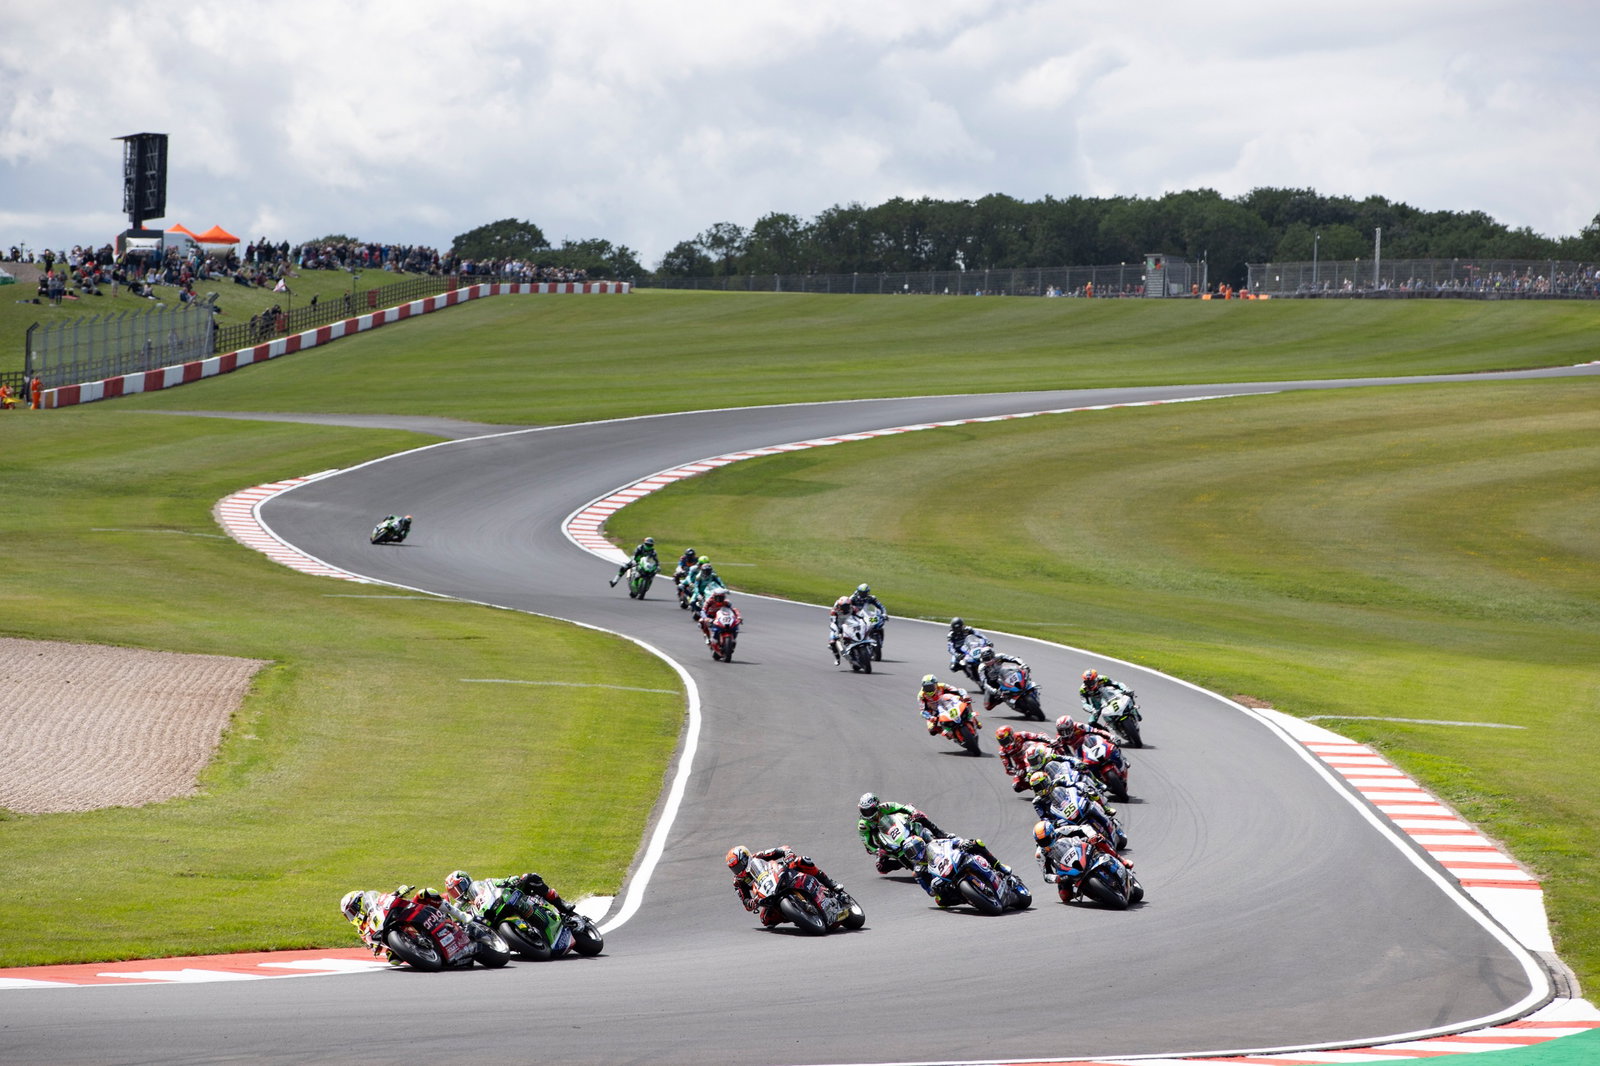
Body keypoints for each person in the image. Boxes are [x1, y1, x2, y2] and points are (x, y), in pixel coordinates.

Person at [727, 844, 844, 927]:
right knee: (766, 920)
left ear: (745, 858)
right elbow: (745, 901)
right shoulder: (738, 881)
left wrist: (787, 854)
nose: (737, 870)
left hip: (781, 876)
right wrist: (750, 903)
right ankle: (800, 915)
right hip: (767, 895)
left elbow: (782, 849)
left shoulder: (758, 856)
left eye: (738, 866)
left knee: (802, 861)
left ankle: (830, 884)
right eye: (734, 869)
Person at [1033, 819, 1133, 903]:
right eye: (1041, 841)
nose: (1044, 843)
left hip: (1081, 851)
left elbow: (1084, 827)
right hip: (1065, 871)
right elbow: (1046, 875)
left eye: (1046, 839)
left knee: (1099, 839)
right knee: (1065, 896)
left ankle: (1121, 859)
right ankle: (1086, 891)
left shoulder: (1062, 831)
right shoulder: (1040, 854)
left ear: (1052, 833)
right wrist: (1057, 878)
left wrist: (1092, 835)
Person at [902, 835, 1016, 907]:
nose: (915, 854)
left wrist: (961, 842)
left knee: (977, 843)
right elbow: (930, 892)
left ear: (921, 845)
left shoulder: (934, 844)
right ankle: (970, 898)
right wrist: (933, 888)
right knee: (940, 902)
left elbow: (951, 842)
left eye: (914, 850)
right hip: (944, 881)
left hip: (954, 862)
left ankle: (999, 866)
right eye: (910, 854)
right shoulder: (918, 871)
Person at [856, 792, 945, 873]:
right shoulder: (863, 825)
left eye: (869, 810)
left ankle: (940, 834)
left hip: (901, 827)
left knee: (920, 818)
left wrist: (914, 812)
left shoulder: (885, 807)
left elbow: (903, 807)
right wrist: (877, 851)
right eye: (864, 810)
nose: (867, 813)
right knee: (881, 867)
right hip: (886, 843)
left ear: (877, 806)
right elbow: (867, 843)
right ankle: (903, 863)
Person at [442, 868, 576, 918]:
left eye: (459, 887)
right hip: (489, 920)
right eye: (453, 891)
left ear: (466, 881)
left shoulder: (484, 884)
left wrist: (513, 880)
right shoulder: (461, 907)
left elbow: (501, 882)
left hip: (503, 902)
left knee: (530, 878)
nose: (458, 893)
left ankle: (561, 905)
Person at [994, 723, 1054, 790]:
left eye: (1006, 740)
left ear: (1011, 735)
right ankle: (1037, 786)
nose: (1005, 744)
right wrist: (1017, 772)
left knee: (1051, 747)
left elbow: (1036, 736)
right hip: (1022, 765)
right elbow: (1008, 769)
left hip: (1034, 753)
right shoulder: (1002, 751)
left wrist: (1050, 741)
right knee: (1017, 786)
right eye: (1002, 742)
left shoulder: (1021, 735)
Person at [826, 595, 858, 664]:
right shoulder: (834, 611)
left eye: (846, 606)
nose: (844, 608)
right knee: (832, 642)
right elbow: (833, 623)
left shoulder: (854, 609)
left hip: (849, 625)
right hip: (838, 626)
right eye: (843, 606)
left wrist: (870, 620)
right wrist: (837, 632)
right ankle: (837, 659)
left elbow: (860, 618)